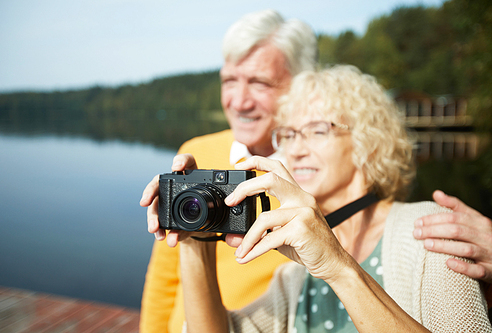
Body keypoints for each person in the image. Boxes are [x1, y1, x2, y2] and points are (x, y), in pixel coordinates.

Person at [165, 65, 491, 332]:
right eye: (289, 134)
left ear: (370, 142)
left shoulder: (428, 228)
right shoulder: (295, 273)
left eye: (318, 130)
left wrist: (336, 266)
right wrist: (196, 235)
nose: (296, 149)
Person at [139, 9, 318, 332]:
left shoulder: (321, 170)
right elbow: (164, 279)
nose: (238, 101)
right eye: (229, 81)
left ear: (302, 86)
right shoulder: (198, 152)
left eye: (259, 82)